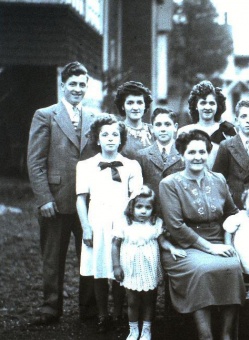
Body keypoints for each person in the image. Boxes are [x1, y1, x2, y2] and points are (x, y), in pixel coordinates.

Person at [27, 61, 97, 325]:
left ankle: (88, 308)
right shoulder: (46, 115)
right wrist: (44, 198)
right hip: (55, 199)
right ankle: (50, 307)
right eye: (73, 84)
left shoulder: (92, 118)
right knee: (53, 256)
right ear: (63, 86)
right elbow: (35, 161)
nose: (78, 89)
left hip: (87, 202)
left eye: (82, 85)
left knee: (88, 254)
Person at [159, 130, 245, 340]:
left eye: (202, 152)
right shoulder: (169, 184)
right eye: (191, 152)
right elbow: (176, 226)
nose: (197, 157)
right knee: (204, 270)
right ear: (181, 155)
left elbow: (231, 213)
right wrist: (210, 248)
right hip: (183, 246)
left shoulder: (218, 179)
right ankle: (205, 336)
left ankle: (226, 335)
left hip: (218, 240)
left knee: (232, 267)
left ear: (208, 153)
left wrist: (228, 242)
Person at [76, 114, 143, 333]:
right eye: (105, 135)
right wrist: (86, 227)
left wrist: (129, 224)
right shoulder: (86, 166)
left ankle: (118, 313)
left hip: (121, 222)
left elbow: (136, 197)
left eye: (115, 134)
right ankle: (102, 315)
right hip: (97, 222)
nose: (110, 139)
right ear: (97, 139)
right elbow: (81, 199)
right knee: (99, 269)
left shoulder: (131, 165)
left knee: (119, 269)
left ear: (121, 138)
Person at [112, 185, 186, 340]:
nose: (143, 211)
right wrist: (116, 266)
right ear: (131, 207)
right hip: (130, 265)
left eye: (148, 207)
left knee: (148, 299)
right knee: (132, 300)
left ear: (153, 209)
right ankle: (133, 330)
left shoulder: (155, 223)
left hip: (149, 265)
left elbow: (162, 241)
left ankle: (146, 329)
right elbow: (115, 245)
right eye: (139, 206)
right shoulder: (124, 223)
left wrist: (172, 249)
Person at [177, 80, 236, 169]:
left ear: (217, 106)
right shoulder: (184, 131)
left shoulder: (227, 130)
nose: (207, 107)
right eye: (203, 103)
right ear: (196, 106)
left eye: (212, 103)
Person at [136, 107, 184, 210]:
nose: (163, 129)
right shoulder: (142, 155)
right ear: (152, 128)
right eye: (158, 125)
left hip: (179, 211)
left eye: (167, 124)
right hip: (152, 212)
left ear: (175, 127)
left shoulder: (184, 153)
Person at [115, 81, 155, 159]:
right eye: (130, 103)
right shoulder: (116, 130)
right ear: (123, 106)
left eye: (139, 103)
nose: (135, 108)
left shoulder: (153, 131)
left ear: (145, 105)